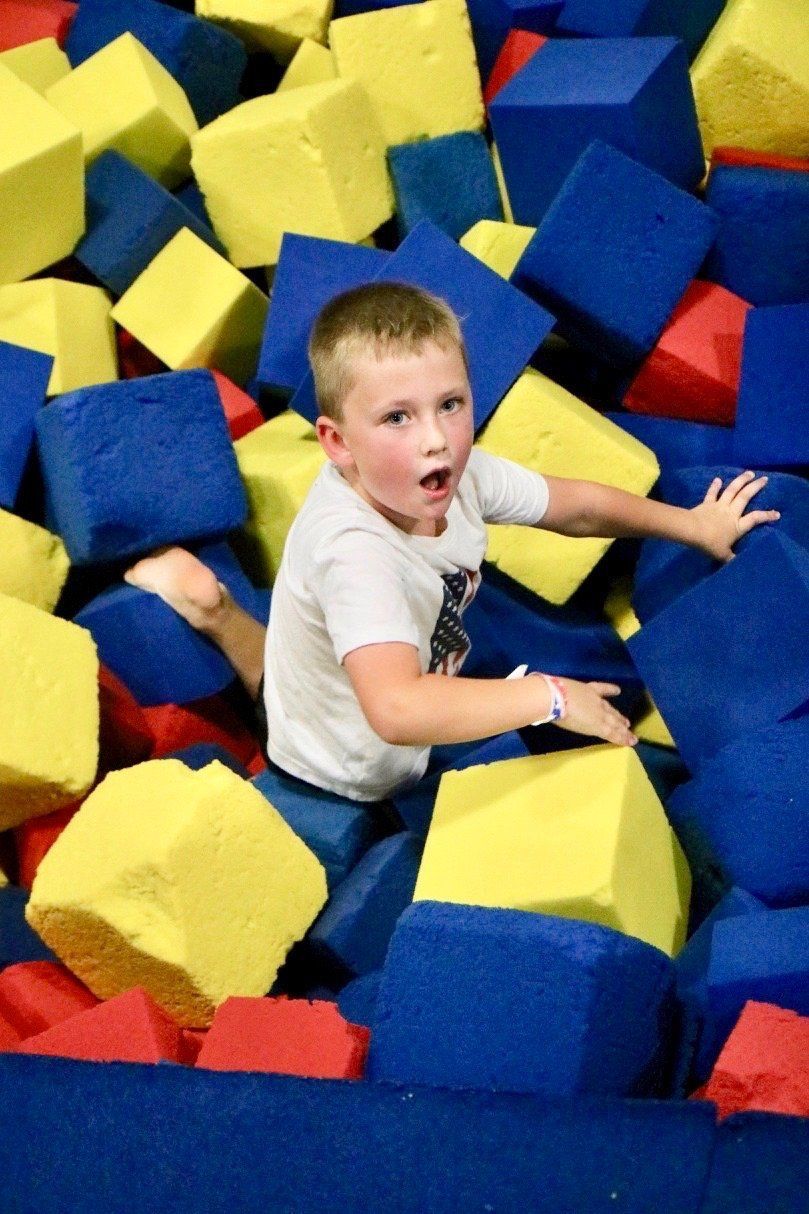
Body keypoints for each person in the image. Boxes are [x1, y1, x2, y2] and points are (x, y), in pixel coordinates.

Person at [125, 282, 779, 802]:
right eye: (396, 418)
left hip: (396, 665)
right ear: (337, 443)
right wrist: (546, 696)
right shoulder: (355, 554)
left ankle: (218, 609)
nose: (435, 438)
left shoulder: (450, 476)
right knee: (307, 710)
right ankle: (210, 609)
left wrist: (692, 524)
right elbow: (397, 709)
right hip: (351, 764)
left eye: (450, 404)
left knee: (322, 667)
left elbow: (574, 507)